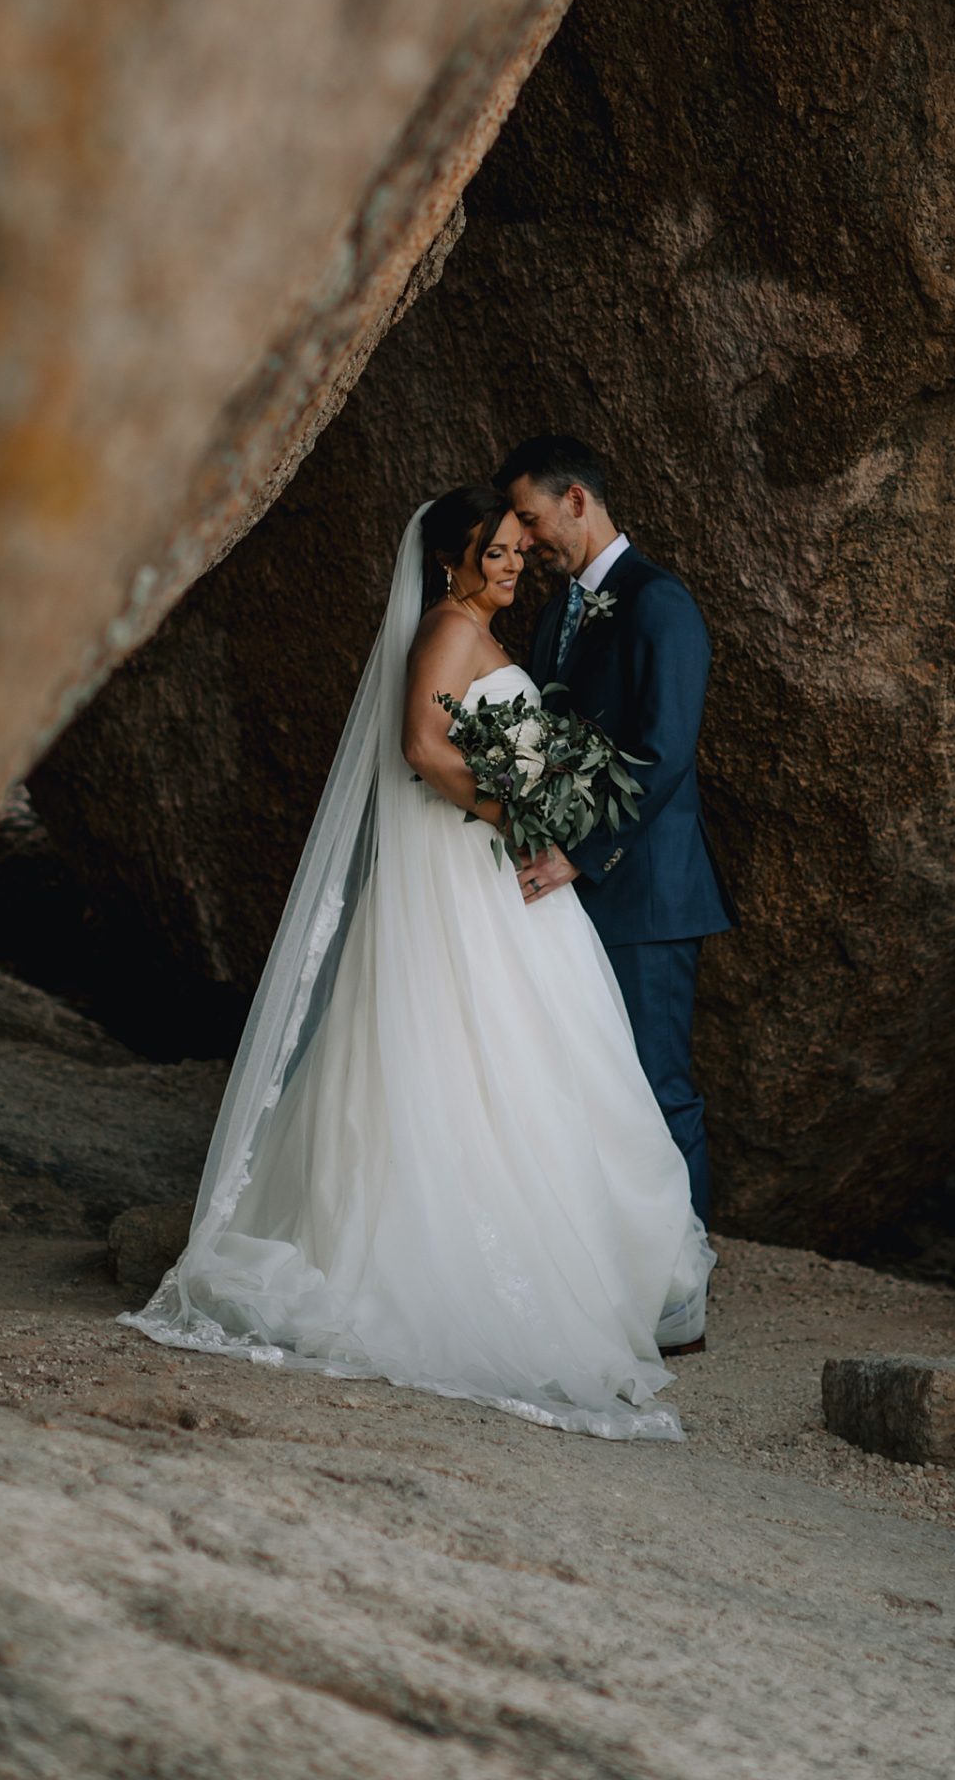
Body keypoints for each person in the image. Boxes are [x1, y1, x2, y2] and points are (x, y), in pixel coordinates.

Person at [121, 486, 712, 1439]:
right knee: (465, 1037)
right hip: (464, 870)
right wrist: (505, 812)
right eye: (499, 551)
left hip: (492, 877)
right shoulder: (446, 628)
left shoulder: (473, 626)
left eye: (522, 549)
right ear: (452, 560)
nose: (515, 563)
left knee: (538, 1048)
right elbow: (421, 746)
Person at [498, 435, 734, 1230]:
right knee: (584, 1091)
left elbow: (664, 751)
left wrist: (582, 853)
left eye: (531, 521)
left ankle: (683, 1285)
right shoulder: (559, 611)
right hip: (575, 894)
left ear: (577, 501)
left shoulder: (659, 601)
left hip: (647, 896)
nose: (525, 543)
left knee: (658, 1089)